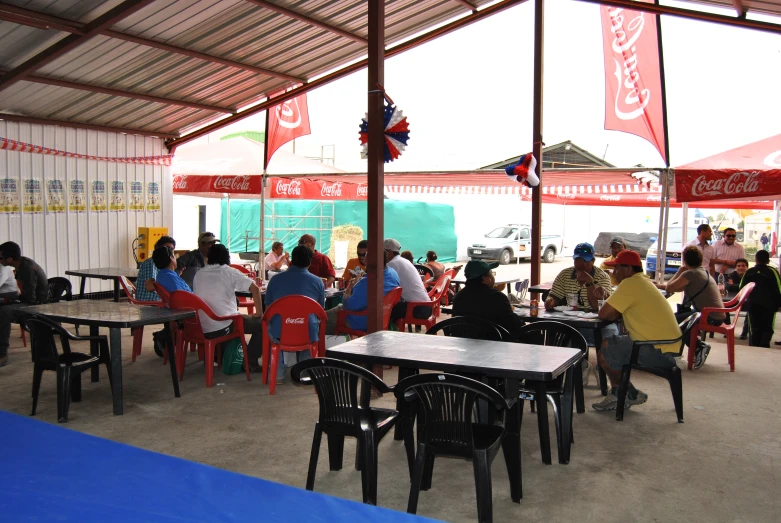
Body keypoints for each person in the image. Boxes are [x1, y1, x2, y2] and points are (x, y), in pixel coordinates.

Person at [593, 250, 682, 411]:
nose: (614, 272)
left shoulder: (630, 284)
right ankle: (623, 393)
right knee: (610, 344)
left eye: (617, 268)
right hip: (667, 347)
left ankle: (625, 393)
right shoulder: (642, 281)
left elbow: (605, 314)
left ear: (627, 269)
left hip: (657, 350)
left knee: (605, 353)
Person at [546, 242, 616, 384]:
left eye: (584, 260)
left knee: (612, 337)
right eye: (577, 259)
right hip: (573, 321)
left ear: (593, 260)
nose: (580, 264)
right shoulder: (565, 274)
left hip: (598, 323)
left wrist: (590, 283)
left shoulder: (602, 277)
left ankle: (602, 368)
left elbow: (597, 306)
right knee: (557, 335)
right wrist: (550, 301)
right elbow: (554, 295)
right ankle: (580, 366)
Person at [192, 244, 264, 373]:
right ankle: (250, 361)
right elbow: (255, 289)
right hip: (225, 322)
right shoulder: (229, 271)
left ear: (208, 257)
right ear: (227, 257)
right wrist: (259, 312)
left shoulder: (199, 274)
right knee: (264, 324)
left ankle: (220, 356)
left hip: (203, 325)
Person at [264, 245, 328, 383]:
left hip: (280, 332)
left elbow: (268, 307)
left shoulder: (275, 280)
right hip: (306, 332)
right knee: (310, 325)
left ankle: (278, 375)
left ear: (291, 260)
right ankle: (304, 372)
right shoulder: (318, 282)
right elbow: (320, 311)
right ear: (310, 262)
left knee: (275, 327)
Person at [656, 245, 724, 369]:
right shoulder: (702, 271)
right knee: (676, 318)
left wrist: (679, 271)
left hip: (709, 316)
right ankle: (696, 348)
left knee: (672, 321)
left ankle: (696, 348)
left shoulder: (690, 274)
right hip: (715, 314)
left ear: (685, 260)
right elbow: (679, 287)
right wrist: (658, 285)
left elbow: (671, 288)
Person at [0, 241, 48, 367]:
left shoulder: (27, 269)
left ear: (9, 259)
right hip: (27, 299)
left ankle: (2, 354)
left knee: (4, 312)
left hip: (37, 305)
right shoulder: (21, 263)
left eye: (1, 258)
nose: (0, 260)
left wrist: (12, 300)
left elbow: (30, 299)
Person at [451, 260, 524, 340]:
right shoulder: (497, 297)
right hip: (494, 346)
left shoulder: (458, 298)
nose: (493, 276)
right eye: (492, 273)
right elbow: (513, 325)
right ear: (485, 279)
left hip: (464, 346)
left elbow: (455, 326)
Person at [342, 249, 401, 332]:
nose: (363, 260)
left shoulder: (368, 282)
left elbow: (349, 306)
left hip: (364, 321)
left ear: (370, 261)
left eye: (365, 257)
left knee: (325, 319)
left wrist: (350, 287)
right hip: (385, 318)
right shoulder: (393, 273)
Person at [137, 235, 176, 357]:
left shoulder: (163, 265)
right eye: (166, 248)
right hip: (149, 302)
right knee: (179, 312)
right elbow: (150, 286)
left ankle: (167, 338)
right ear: (158, 248)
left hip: (157, 299)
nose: (169, 251)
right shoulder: (152, 262)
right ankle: (163, 337)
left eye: (172, 249)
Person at [740, 250, 781, 348]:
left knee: (754, 326)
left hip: (753, 304)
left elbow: (742, 287)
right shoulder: (773, 272)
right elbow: (779, 289)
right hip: (769, 306)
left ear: (755, 259)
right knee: (767, 326)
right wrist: (779, 304)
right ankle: (764, 344)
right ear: (768, 261)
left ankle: (755, 345)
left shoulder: (749, 272)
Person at [385, 238, 432, 322]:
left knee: (380, 310)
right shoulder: (404, 261)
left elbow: (385, 288)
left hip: (417, 309)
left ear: (389, 252)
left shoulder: (392, 264)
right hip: (425, 306)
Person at [727, 258, 750, 340]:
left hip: (747, 301)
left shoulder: (750, 275)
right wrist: (742, 286)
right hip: (732, 301)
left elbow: (749, 287)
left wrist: (734, 285)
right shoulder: (731, 275)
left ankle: (744, 333)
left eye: (743, 266)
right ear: (735, 267)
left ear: (747, 267)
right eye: (738, 266)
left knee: (752, 309)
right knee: (722, 306)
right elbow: (728, 287)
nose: (741, 268)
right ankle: (727, 330)